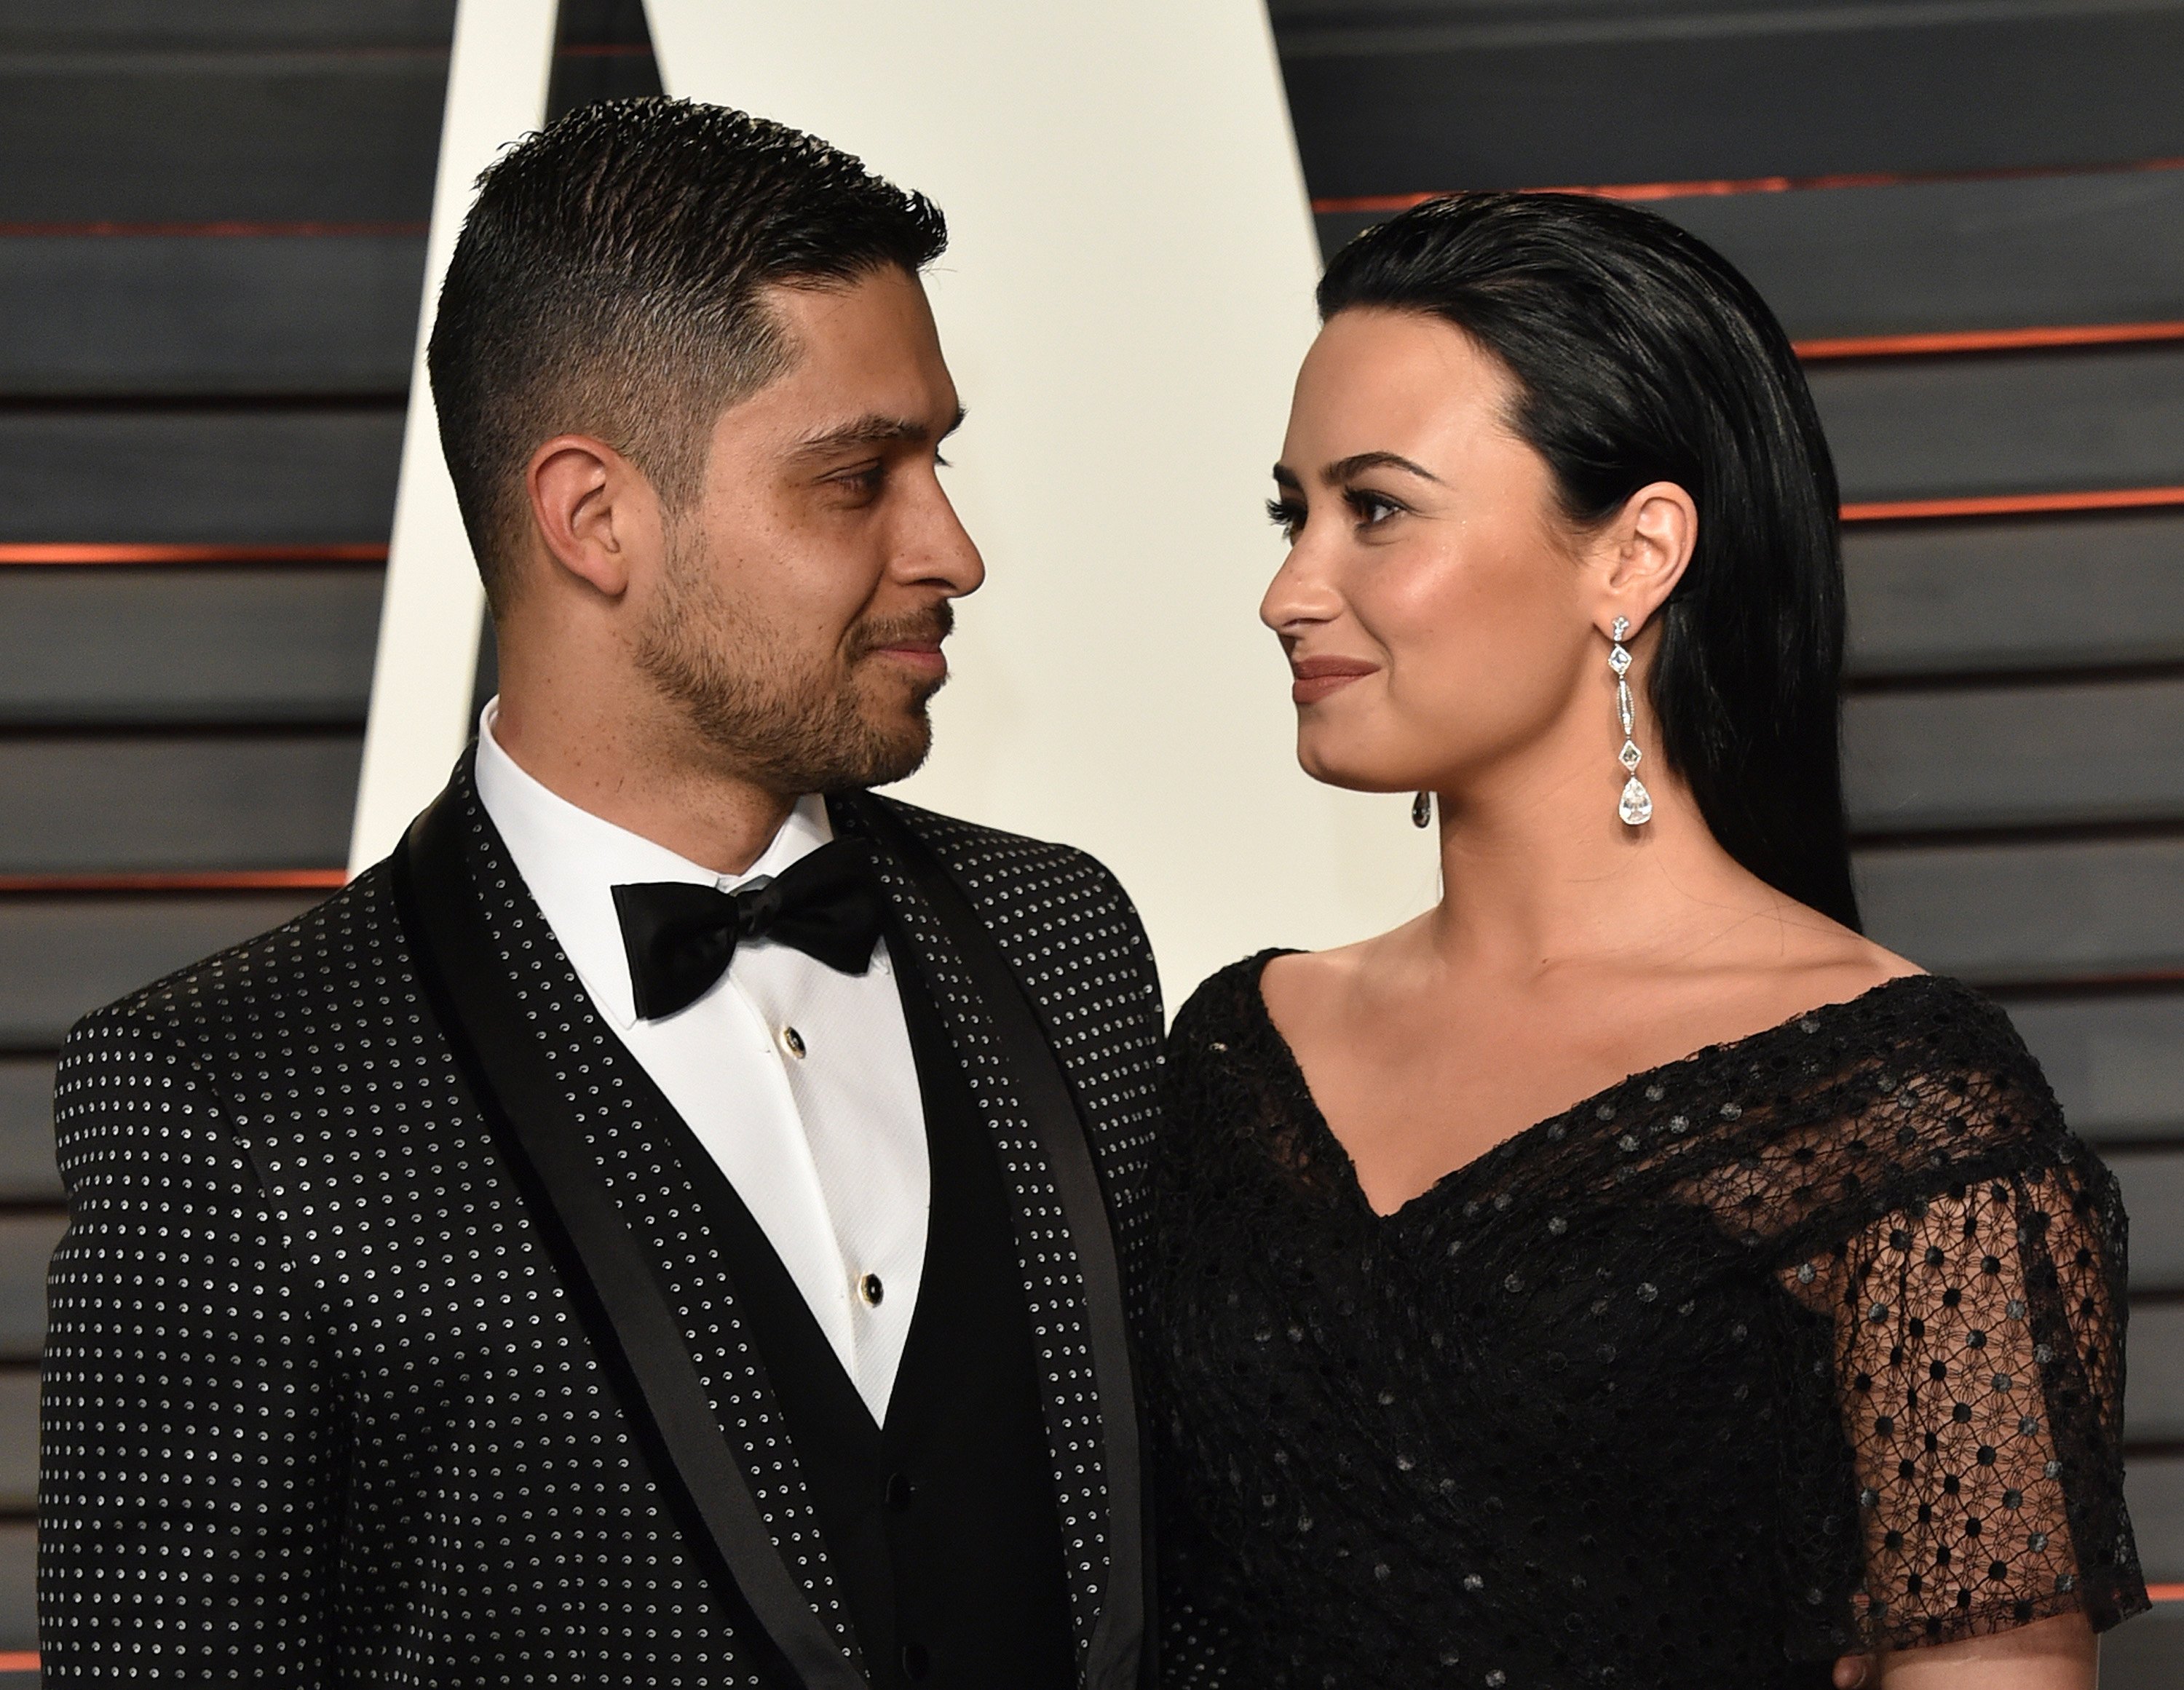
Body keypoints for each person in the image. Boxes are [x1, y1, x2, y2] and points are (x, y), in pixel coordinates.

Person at [41, 100, 1159, 1688]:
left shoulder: (1065, 941)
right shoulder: (227, 1096)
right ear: (595, 518)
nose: (955, 550)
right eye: (857, 481)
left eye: (940, 460)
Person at [1149, 191, 2144, 1690]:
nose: (1291, 591)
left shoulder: (1900, 1105)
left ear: (1634, 556)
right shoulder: (1237, 1053)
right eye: (1295, 514)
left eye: (1378, 507)